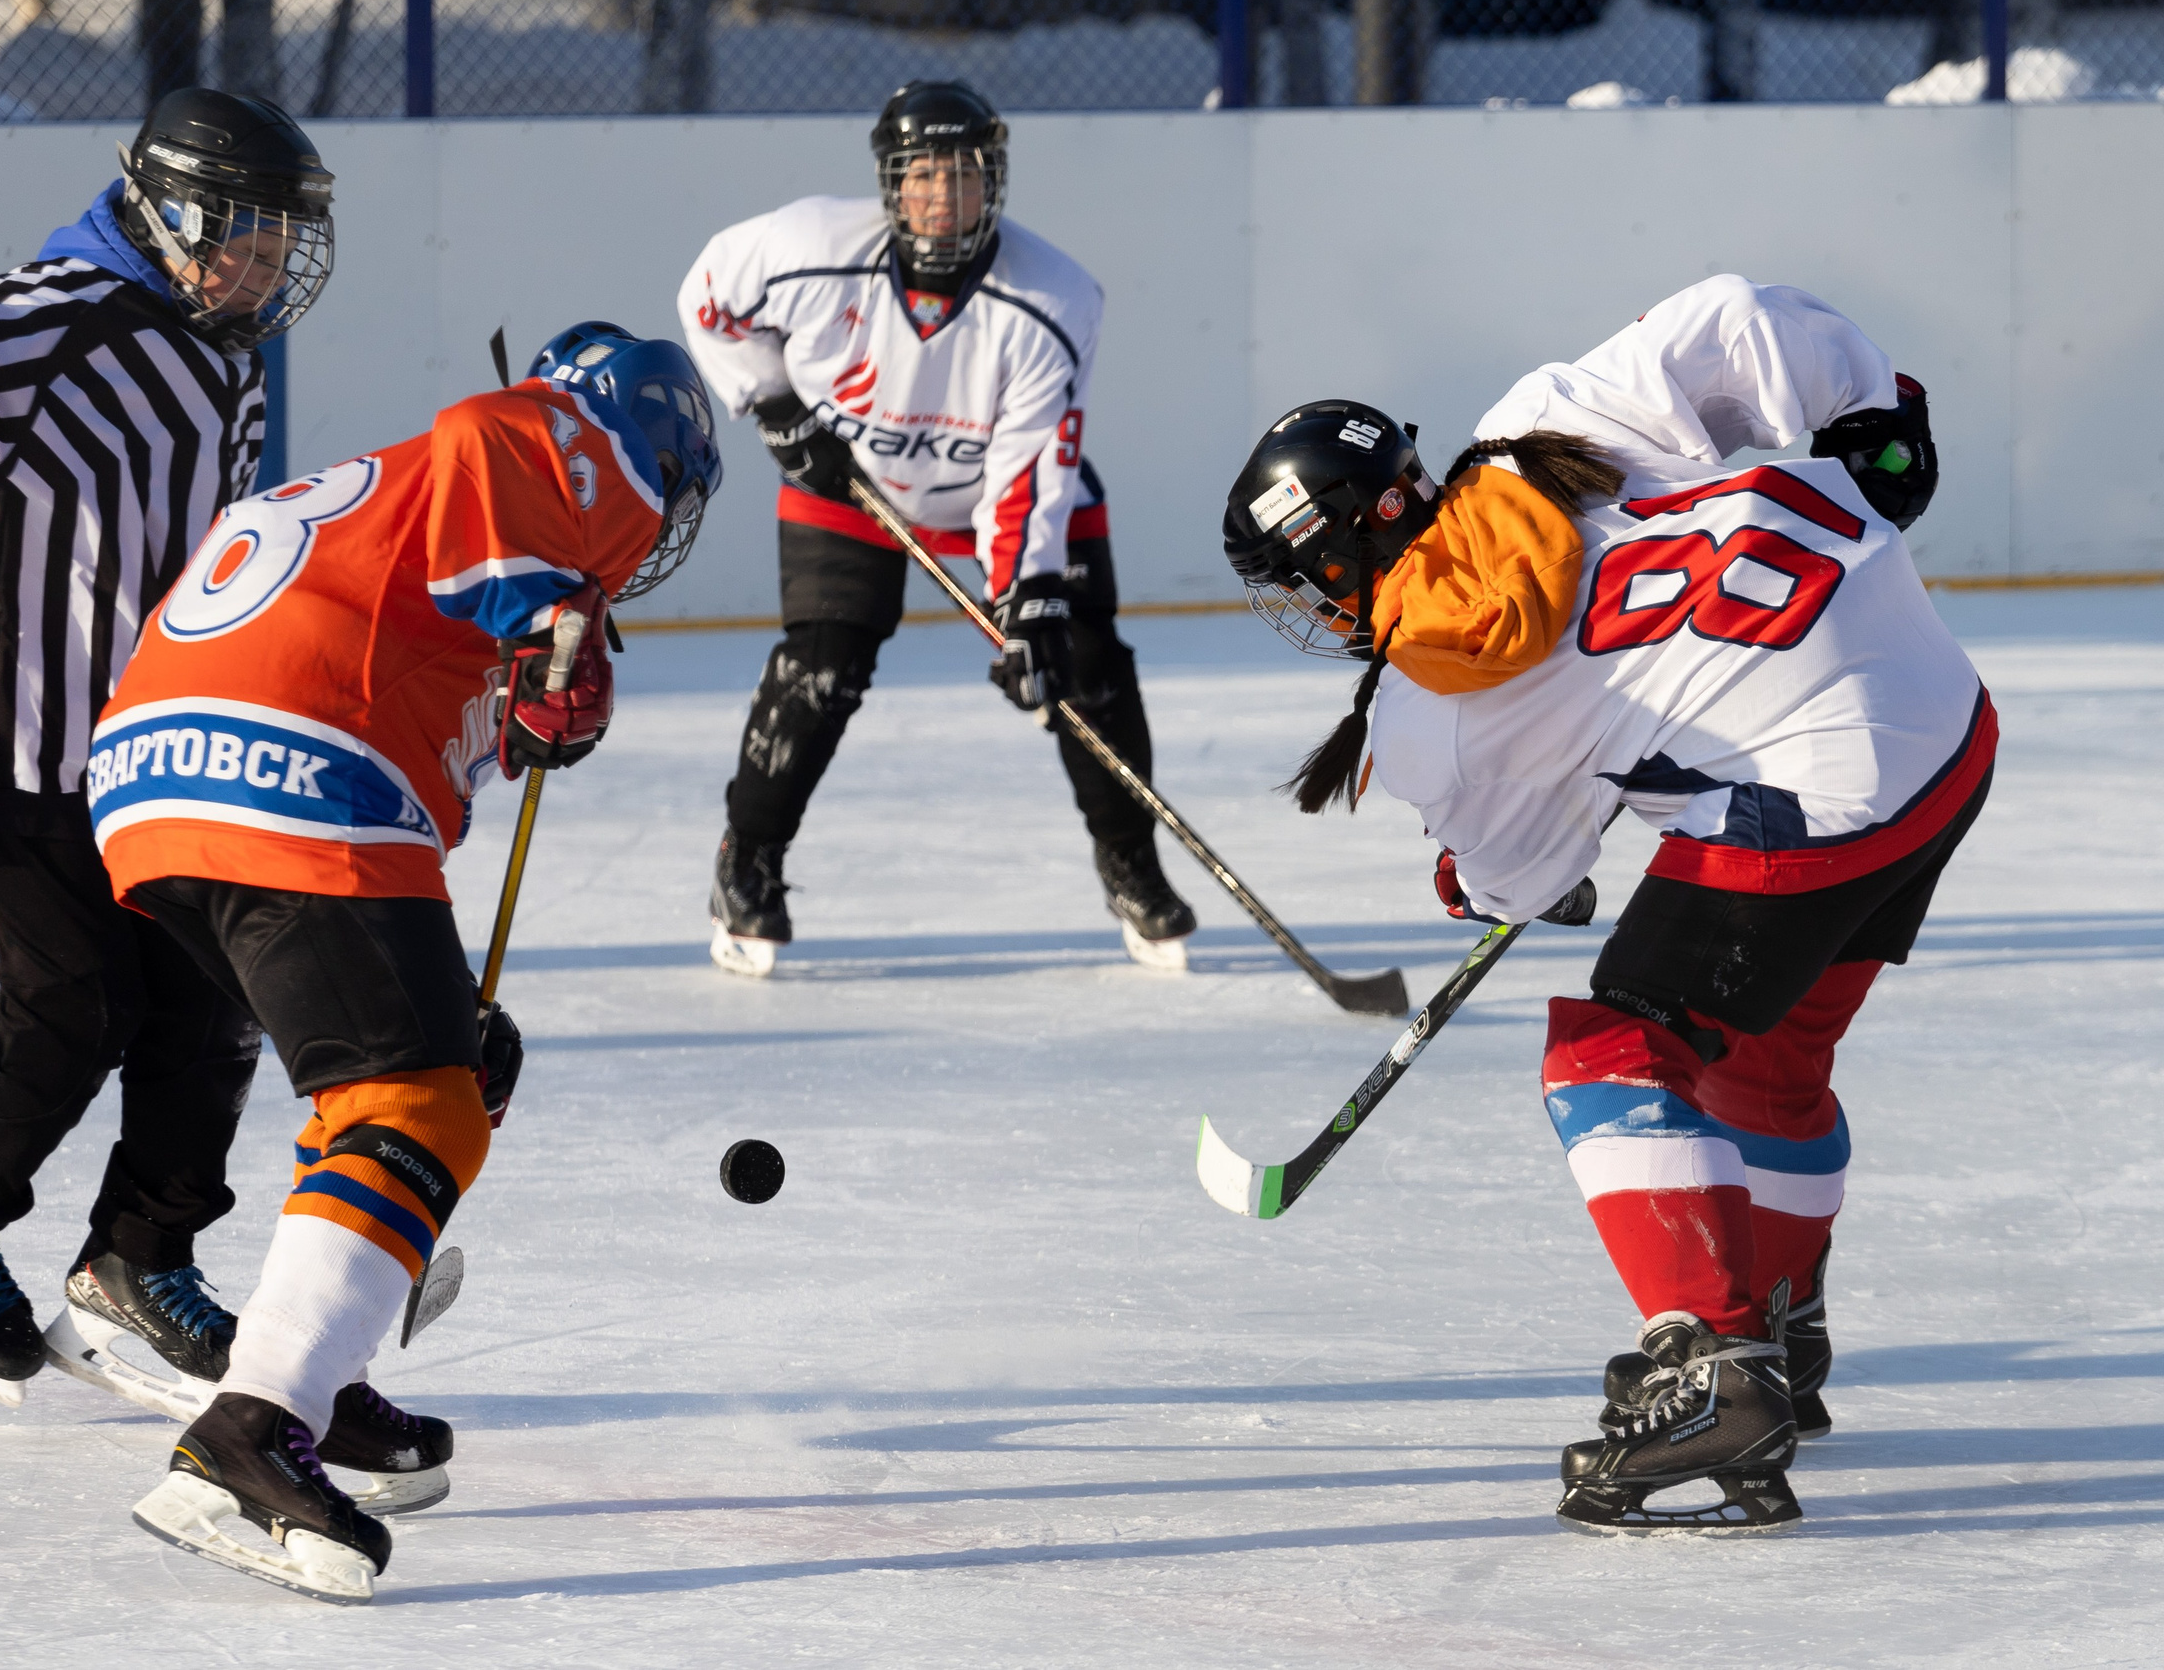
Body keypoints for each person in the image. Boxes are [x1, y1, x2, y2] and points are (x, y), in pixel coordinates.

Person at [1220, 275, 1977, 1534]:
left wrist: (1482, 873)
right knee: (1770, 1056)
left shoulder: (1427, 706)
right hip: (1944, 726)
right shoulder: (1537, 427)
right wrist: (1877, 414)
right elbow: (1735, 315)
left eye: (1304, 582)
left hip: (1821, 792)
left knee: (1607, 1052)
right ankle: (1782, 1323)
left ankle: (1720, 1369)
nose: (1312, 612)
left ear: (1345, 545)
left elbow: (1527, 880)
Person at [88, 323, 720, 1601]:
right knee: (416, 1103)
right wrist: (547, 609)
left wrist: (534, 696)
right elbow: (494, 434)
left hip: (160, 782)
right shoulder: (551, 447)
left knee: (405, 1087)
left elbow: (450, 702)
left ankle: (311, 1378)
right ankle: (248, 1434)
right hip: (288, 762)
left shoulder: (400, 512)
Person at [0, 89, 378, 1444]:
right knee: (71, 1001)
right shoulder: (62, 310)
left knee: (210, 991)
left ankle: (141, 1251)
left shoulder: (226, 349)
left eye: (279, 238)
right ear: (172, 210)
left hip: (153, 746)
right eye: (244, 232)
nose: (263, 262)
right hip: (18, 735)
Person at [676, 79, 1197, 978]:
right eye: (924, 176)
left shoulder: (1053, 297)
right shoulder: (805, 247)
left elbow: (1029, 464)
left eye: (965, 175)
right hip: (850, 489)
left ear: (994, 182)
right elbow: (708, 302)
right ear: (890, 184)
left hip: (997, 497)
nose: (944, 197)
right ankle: (748, 860)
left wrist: (1028, 598)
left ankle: (1130, 859)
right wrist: (774, 404)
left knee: (1082, 663)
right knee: (819, 668)